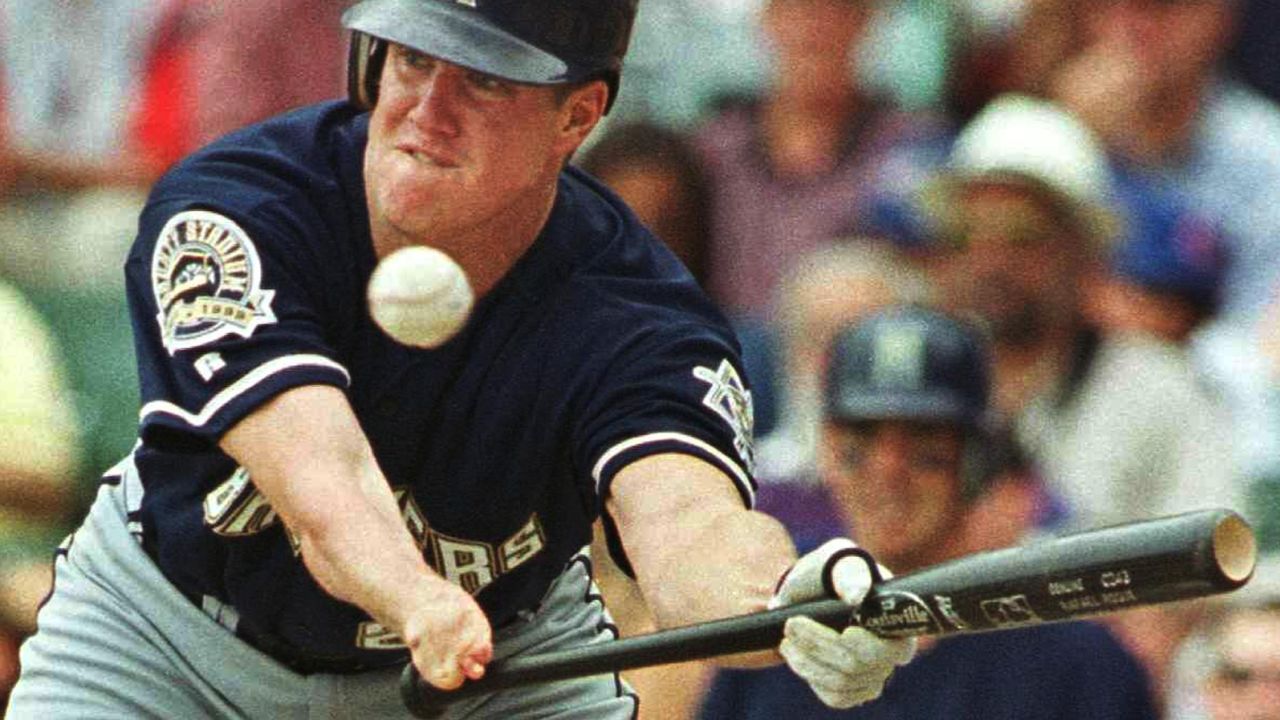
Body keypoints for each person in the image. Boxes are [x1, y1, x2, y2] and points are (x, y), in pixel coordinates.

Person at [5, 2, 916, 718]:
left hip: (498, 676)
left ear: (579, 115)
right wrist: (416, 600)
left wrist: (785, 599)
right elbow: (322, 484)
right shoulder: (235, 208)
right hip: (169, 642)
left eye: (484, 80)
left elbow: (686, 529)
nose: (427, 112)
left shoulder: (637, 311)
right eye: (413, 57)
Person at [699, 305, 1159, 720]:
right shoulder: (784, 614)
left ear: (975, 460)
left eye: (924, 447)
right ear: (827, 450)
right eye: (860, 444)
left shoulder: (1072, 656)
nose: (888, 471)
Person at [691, 0, 948, 319]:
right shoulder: (713, 148)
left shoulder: (912, 147)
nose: (814, 28)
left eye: (835, 9)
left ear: (868, 21)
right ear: (768, 20)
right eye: (797, 8)